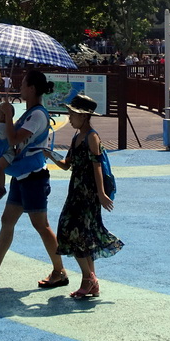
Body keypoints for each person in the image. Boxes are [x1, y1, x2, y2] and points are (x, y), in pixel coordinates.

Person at [0, 69, 68, 289]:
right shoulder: (29, 113)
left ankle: (60, 271)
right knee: (7, 221)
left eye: (23, 85)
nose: (20, 88)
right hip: (21, 177)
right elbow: (6, 132)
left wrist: (9, 114)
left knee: (41, 225)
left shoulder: (38, 115)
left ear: (31, 88)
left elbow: (13, 140)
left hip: (33, 177)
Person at [45, 94, 122, 299]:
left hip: (87, 194)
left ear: (84, 116)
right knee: (82, 236)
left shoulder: (91, 137)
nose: (69, 117)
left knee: (75, 233)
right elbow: (67, 165)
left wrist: (101, 194)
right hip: (76, 192)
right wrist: (50, 154)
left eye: (72, 114)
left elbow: (97, 166)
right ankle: (90, 281)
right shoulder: (76, 136)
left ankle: (89, 279)